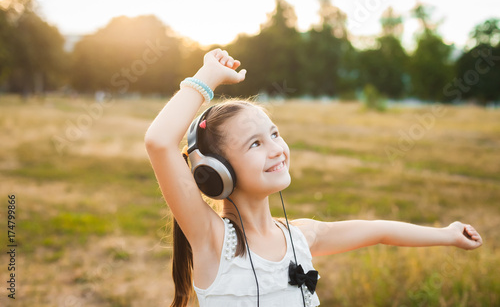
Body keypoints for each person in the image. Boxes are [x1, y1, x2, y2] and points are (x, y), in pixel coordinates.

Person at [144, 49, 483, 307]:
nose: (277, 149)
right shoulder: (213, 240)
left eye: (275, 134)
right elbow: (159, 142)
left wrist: (447, 234)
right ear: (215, 173)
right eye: (256, 143)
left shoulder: (300, 237)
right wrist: (206, 77)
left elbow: (381, 231)